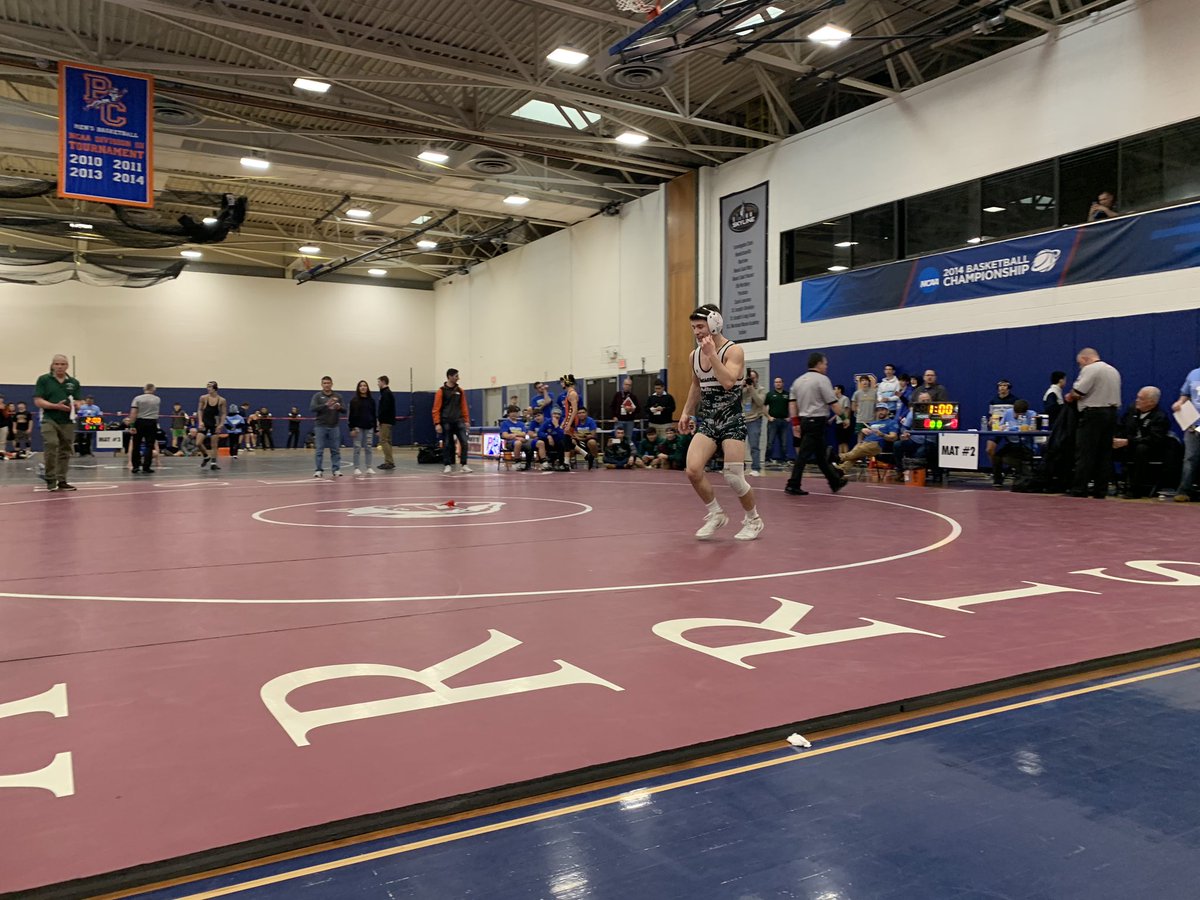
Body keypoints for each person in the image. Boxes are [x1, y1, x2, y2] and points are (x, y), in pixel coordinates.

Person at [678, 304, 763, 541]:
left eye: (701, 326)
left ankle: (754, 520)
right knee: (693, 470)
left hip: (732, 420)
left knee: (733, 476)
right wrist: (686, 412)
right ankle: (716, 513)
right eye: (693, 327)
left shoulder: (733, 351)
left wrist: (712, 354)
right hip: (709, 420)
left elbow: (728, 382)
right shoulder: (694, 355)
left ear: (715, 324)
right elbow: (697, 385)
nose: (696, 332)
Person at [785, 352, 848, 497]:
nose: (826, 366)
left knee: (820, 456)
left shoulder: (798, 381)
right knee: (804, 455)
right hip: (817, 421)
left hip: (805, 421)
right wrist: (844, 418)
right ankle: (793, 484)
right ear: (818, 364)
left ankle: (835, 481)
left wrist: (795, 423)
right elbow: (833, 403)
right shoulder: (822, 380)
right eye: (825, 364)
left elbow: (792, 404)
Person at [1064, 347, 1121, 498]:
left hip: (1093, 414)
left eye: (1079, 363)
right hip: (1111, 413)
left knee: (1085, 453)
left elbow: (1078, 392)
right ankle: (1100, 489)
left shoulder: (1090, 369)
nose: (1080, 367)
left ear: (1084, 359)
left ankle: (1079, 489)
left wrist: (1069, 396)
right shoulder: (1113, 370)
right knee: (1104, 454)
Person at [33, 355, 81, 491]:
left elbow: (78, 400)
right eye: (57, 364)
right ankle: (50, 478)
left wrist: (77, 405)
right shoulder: (44, 380)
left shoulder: (74, 382)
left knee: (66, 450)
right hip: (49, 418)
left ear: (67, 366)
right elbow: (38, 400)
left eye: (63, 364)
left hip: (67, 420)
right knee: (51, 443)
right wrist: (55, 406)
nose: (60, 366)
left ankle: (62, 479)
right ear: (52, 365)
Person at [1113, 387, 1169, 499]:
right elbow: (1121, 427)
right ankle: (1108, 484)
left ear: (1152, 402)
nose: (1137, 400)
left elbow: (1154, 439)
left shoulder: (1160, 417)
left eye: (1141, 399)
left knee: (1141, 449)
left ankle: (1135, 489)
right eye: (1137, 397)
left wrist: (1129, 442)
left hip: (1149, 449)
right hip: (1128, 445)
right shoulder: (1132, 410)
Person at [836, 404, 900, 473]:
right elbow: (863, 436)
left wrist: (882, 435)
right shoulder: (872, 423)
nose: (880, 412)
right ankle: (842, 469)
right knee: (857, 452)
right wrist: (863, 431)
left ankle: (838, 457)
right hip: (865, 443)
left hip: (877, 444)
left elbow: (894, 437)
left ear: (888, 411)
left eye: (882, 410)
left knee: (858, 450)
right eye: (878, 410)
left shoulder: (892, 422)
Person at [432, 367, 471, 474]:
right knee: (447, 444)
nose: (458, 378)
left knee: (464, 442)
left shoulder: (460, 391)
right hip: (446, 421)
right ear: (449, 377)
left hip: (459, 421)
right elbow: (436, 408)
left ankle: (464, 464)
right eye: (456, 376)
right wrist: (437, 423)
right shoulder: (441, 391)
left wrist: (466, 421)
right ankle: (447, 464)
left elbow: (464, 406)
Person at [991, 399, 1037, 488]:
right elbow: (1000, 427)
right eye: (1015, 413)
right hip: (1012, 443)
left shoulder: (1032, 415)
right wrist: (1002, 427)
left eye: (1020, 415)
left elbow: (1034, 429)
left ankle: (1023, 475)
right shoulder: (1008, 413)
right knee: (997, 456)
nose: (1016, 416)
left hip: (1025, 445)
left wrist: (1027, 428)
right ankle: (998, 480)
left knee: (1009, 459)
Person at [1171, 362, 1200, 502]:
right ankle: (1184, 490)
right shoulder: (1193, 374)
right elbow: (1186, 394)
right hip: (1193, 424)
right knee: (1189, 458)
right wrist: (1179, 403)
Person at [310, 375, 345, 478]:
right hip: (320, 426)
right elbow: (312, 408)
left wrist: (339, 407)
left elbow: (344, 410)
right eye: (324, 383)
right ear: (321, 385)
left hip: (334, 426)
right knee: (319, 449)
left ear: (332, 384)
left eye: (328, 383)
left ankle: (336, 469)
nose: (326, 385)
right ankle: (318, 470)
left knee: (335, 450)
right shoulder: (317, 396)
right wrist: (325, 404)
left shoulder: (338, 396)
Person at [128, 383, 161, 474]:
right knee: (149, 446)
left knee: (136, 444)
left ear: (144, 389)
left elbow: (134, 412)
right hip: (152, 422)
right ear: (153, 390)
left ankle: (136, 467)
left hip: (140, 422)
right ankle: (146, 467)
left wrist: (132, 425)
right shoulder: (157, 399)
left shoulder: (137, 398)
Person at [196, 381, 227, 471]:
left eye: (209, 387)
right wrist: (200, 421)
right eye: (207, 386)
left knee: (214, 444)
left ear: (214, 388)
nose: (208, 388)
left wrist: (221, 424)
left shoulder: (221, 400)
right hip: (205, 422)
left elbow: (224, 413)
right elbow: (200, 410)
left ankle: (213, 463)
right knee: (198, 443)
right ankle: (206, 456)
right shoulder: (203, 398)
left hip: (214, 423)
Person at [348, 379, 377, 475]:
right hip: (357, 428)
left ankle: (369, 467)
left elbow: (374, 414)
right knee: (357, 447)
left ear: (367, 388)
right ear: (358, 388)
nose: (363, 387)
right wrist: (351, 428)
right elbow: (351, 416)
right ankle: (356, 468)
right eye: (361, 386)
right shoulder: (354, 401)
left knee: (368, 447)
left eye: (365, 385)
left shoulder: (371, 401)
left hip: (369, 427)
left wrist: (376, 428)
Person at [741, 368, 766, 477]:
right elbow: (735, 399)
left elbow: (760, 402)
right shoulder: (743, 389)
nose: (752, 379)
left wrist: (752, 389)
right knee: (738, 445)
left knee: (754, 444)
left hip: (754, 420)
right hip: (742, 419)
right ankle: (741, 467)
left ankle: (756, 468)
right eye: (750, 377)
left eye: (753, 377)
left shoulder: (761, 389)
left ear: (757, 378)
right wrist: (741, 387)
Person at [764, 376, 790, 467]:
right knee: (770, 442)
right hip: (773, 421)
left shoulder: (787, 394)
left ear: (782, 383)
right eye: (776, 382)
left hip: (784, 422)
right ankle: (767, 460)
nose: (778, 383)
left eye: (779, 382)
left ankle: (784, 460)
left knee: (784, 443)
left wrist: (789, 417)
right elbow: (763, 407)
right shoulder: (770, 394)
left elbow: (792, 406)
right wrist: (768, 416)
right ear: (774, 384)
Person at [610, 376, 640, 443]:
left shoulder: (633, 397)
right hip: (619, 421)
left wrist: (632, 409)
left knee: (628, 439)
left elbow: (638, 409)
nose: (627, 386)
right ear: (623, 385)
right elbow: (612, 406)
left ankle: (627, 452)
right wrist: (614, 416)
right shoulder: (617, 395)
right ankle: (616, 452)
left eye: (629, 385)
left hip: (630, 421)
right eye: (626, 384)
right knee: (617, 439)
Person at [498, 406, 530, 470]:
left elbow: (524, 434)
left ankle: (528, 463)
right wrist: (518, 437)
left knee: (530, 444)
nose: (514, 414)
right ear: (508, 414)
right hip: (510, 443)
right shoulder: (505, 423)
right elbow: (505, 435)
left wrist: (513, 435)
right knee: (518, 443)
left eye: (515, 412)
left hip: (522, 441)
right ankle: (517, 462)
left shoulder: (521, 424)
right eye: (512, 412)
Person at [376, 375, 396, 469]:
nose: (378, 384)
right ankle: (389, 461)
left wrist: (380, 419)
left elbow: (385, 408)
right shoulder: (386, 393)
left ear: (383, 382)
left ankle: (389, 462)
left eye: (379, 382)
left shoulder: (386, 393)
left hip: (385, 421)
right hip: (387, 420)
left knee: (384, 441)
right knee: (387, 441)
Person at [831, 383, 853, 457]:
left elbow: (847, 410)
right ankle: (840, 458)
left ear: (839, 390)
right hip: (838, 422)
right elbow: (838, 412)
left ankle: (846, 458)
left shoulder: (845, 399)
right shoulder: (835, 400)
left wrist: (845, 420)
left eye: (835, 388)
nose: (833, 390)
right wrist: (831, 419)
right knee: (840, 442)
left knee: (845, 442)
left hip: (844, 423)